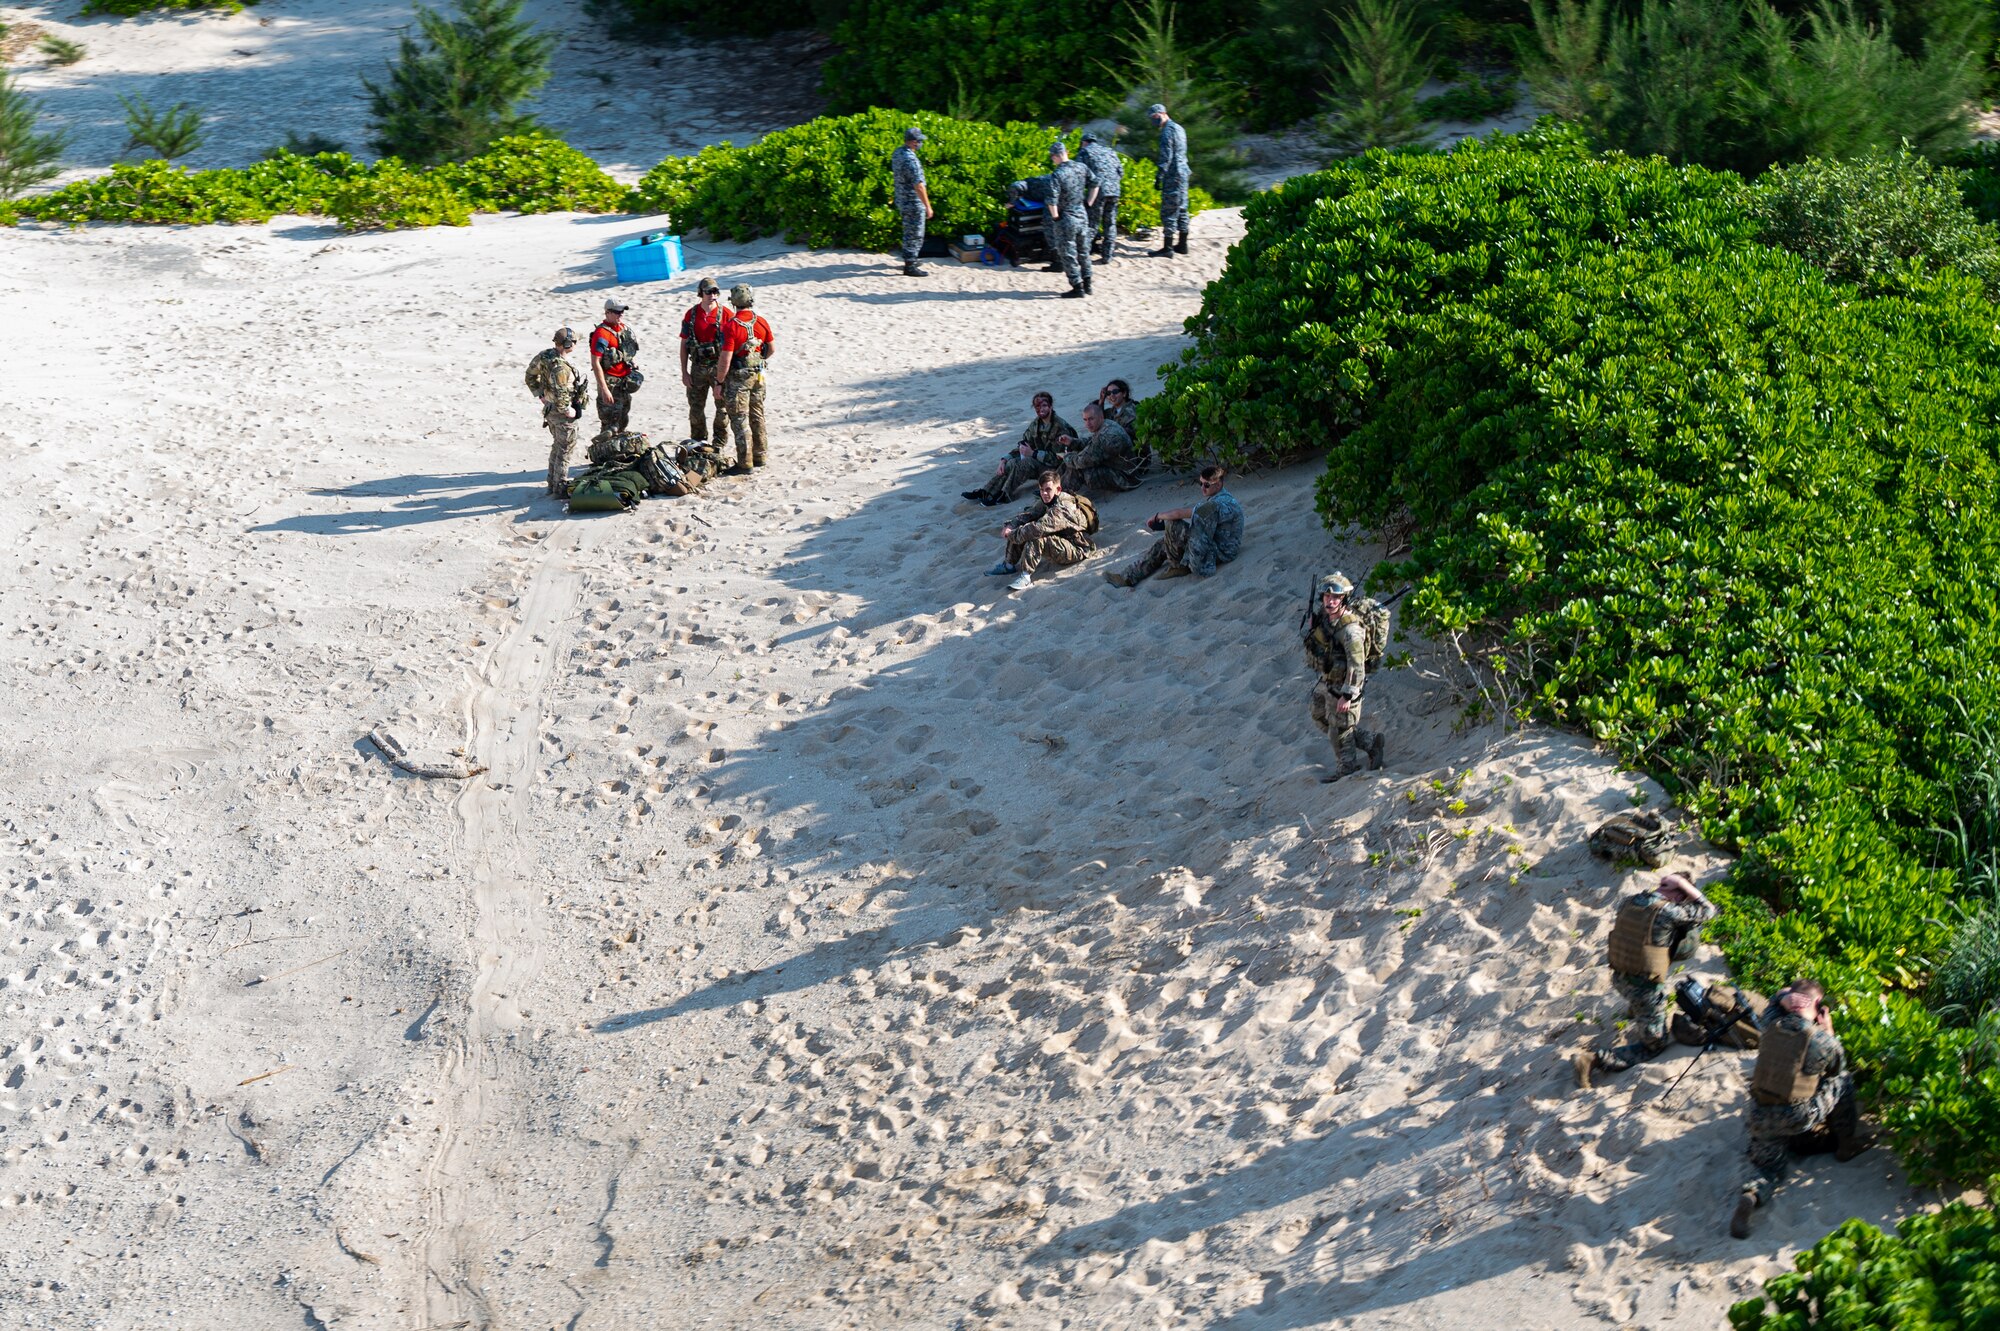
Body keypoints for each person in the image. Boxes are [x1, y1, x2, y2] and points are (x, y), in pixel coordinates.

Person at [1729, 979, 1874, 1239]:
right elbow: (1836, 1068)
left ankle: (1752, 1195)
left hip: (1759, 1114)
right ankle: (1845, 1144)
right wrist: (1828, 1032)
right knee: (1842, 1081)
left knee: (1769, 1169)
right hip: (1797, 1117)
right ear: (1818, 1007)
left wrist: (1786, 996)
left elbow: (1776, 998)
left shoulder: (1769, 1024)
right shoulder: (1821, 1040)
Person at [1572, 872, 1719, 1088]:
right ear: (1679, 895)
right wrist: (1683, 885)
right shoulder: (1667, 911)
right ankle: (1592, 1060)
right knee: (1655, 1045)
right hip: (1643, 989)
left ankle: (1636, 1011)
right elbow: (1709, 910)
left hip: (1619, 977)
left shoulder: (1629, 901)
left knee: (1643, 990)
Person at [1304, 571, 1386, 781]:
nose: (1330, 602)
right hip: (1328, 679)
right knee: (1318, 713)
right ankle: (1369, 742)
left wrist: (1348, 695)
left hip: (1345, 686)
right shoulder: (1325, 617)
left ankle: (1346, 770)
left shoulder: (1350, 631)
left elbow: (1357, 666)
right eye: (1326, 597)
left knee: (1339, 729)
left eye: (1335, 598)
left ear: (1343, 599)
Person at [1106, 464, 1242, 586]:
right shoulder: (1221, 499)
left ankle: (1178, 565)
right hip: (1215, 545)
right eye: (1200, 483)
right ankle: (1128, 577)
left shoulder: (1217, 505)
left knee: (1172, 524)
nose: (1202, 488)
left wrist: (1157, 516)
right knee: (1163, 543)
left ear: (1218, 485)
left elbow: (1178, 514)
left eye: (1207, 485)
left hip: (1220, 552)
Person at [986, 470, 1094, 593]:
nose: (1044, 493)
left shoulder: (1063, 507)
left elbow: (1039, 528)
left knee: (1035, 536)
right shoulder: (1048, 499)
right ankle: (1009, 565)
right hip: (1060, 539)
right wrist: (1011, 525)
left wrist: (1012, 534)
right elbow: (1030, 513)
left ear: (1058, 489)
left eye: (1048, 489)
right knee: (1022, 527)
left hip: (1077, 547)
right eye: (1041, 490)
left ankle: (1025, 576)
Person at [962, 391, 1076, 507]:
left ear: (1051, 406)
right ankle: (987, 492)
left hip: (1057, 470)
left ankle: (1004, 495)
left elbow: (1058, 458)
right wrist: (1004, 460)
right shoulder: (1035, 425)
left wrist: (1033, 453)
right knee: (1012, 463)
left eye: (1044, 405)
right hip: (1041, 464)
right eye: (1037, 406)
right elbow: (1023, 446)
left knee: (1027, 463)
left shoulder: (1060, 428)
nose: (1041, 409)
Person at [713, 283, 774, 476]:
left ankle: (744, 462)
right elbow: (771, 349)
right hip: (758, 376)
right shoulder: (762, 321)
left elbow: (726, 358)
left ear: (734, 303)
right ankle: (760, 456)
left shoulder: (731, 325)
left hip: (738, 379)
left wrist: (719, 382)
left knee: (739, 419)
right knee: (757, 415)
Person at [525, 327, 584, 497]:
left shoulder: (545, 356)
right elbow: (561, 392)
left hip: (550, 410)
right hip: (560, 413)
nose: (575, 344)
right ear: (567, 344)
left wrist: (541, 395)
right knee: (565, 448)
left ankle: (552, 482)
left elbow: (530, 375)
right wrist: (568, 410)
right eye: (573, 342)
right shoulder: (560, 368)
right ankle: (560, 485)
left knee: (557, 446)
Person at [678, 277, 727, 443]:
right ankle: (698, 442)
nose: (713, 295)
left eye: (715, 292)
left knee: (723, 408)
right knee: (696, 408)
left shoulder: (726, 314)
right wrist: (684, 372)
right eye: (709, 292)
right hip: (697, 368)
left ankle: (719, 442)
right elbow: (684, 344)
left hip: (718, 368)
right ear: (701, 293)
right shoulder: (691, 315)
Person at [1058, 400, 1141, 493]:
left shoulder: (1106, 435)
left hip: (1126, 479)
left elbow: (1081, 461)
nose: (1087, 424)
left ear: (1101, 417)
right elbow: (1092, 442)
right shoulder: (1107, 424)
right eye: (1085, 420)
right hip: (1121, 470)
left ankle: (1058, 495)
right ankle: (1052, 485)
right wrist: (1072, 442)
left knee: (1076, 467)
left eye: (1091, 419)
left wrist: (1066, 456)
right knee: (1072, 459)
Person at [1046, 141, 1095, 298]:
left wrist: (1055, 217)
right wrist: (1089, 202)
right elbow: (1096, 183)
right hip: (1082, 215)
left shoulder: (1057, 174)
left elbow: (1051, 200)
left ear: (1054, 157)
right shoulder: (1081, 167)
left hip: (1066, 217)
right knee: (1084, 251)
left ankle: (1077, 287)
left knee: (1067, 253)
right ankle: (1088, 284)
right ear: (1066, 151)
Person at [589, 299, 642, 442]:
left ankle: (616, 452)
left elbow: (627, 352)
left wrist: (632, 364)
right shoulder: (601, 334)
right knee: (609, 424)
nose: (621, 314)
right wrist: (604, 389)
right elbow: (595, 363)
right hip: (610, 383)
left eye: (622, 311)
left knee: (623, 420)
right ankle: (601, 453)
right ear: (607, 312)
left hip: (624, 381)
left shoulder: (624, 329)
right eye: (617, 312)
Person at [1076, 130, 1124, 264]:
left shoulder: (1085, 152)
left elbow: (1078, 174)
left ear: (1084, 143)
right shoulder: (1110, 152)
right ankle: (1107, 256)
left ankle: (1083, 255)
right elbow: (1121, 172)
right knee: (1110, 223)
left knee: (1092, 223)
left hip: (1098, 191)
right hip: (1115, 190)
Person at [1149, 103, 1191, 257]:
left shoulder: (1167, 131)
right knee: (1182, 208)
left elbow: (1166, 156)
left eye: (1154, 117)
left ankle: (1167, 248)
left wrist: (1160, 175)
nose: (1154, 121)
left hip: (1173, 175)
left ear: (1161, 113)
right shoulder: (1180, 128)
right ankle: (1182, 244)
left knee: (1169, 210)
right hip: (1184, 173)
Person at [892, 126, 934, 278]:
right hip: (912, 201)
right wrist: (927, 206)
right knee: (915, 233)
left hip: (901, 199)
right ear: (914, 142)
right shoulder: (911, 160)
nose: (921, 143)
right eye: (919, 141)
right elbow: (919, 186)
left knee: (908, 230)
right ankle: (910, 265)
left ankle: (909, 259)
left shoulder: (898, 153)